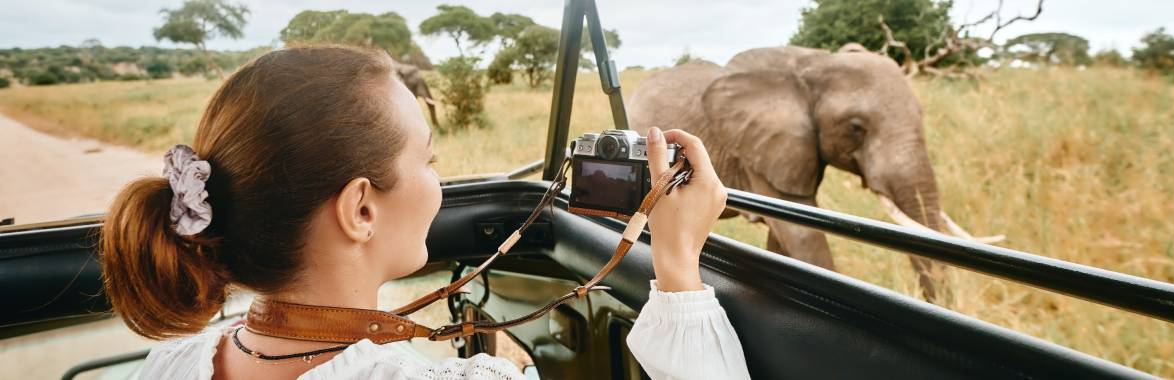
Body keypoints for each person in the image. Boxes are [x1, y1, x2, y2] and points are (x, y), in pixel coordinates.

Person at [101, 46, 750, 380]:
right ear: (360, 208)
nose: (438, 182)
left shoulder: (169, 364)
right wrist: (677, 268)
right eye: (430, 159)